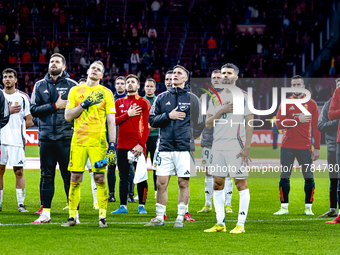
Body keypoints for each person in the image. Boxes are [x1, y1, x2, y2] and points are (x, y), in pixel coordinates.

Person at [145, 65, 202, 227]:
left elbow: (199, 124)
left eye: (179, 73)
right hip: (164, 147)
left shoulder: (193, 99)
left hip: (184, 149)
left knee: (183, 183)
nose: (175, 75)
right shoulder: (161, 98)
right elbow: (152, 121)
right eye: (174, 73)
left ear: (185, 78)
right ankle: (159, 217)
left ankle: (180, 217)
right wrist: (168, 116)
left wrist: (188, 136)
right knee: (160, 183)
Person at [61, 61, 116, 228]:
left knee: (100, 177)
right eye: (93, 68)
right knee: (75, 178)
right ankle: (72, 217)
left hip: (98, 143)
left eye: (99, 69)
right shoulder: (75, 91)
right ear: (88, 71)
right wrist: (84, 104)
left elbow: (111, 121)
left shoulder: (106, 93)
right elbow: (68, 116)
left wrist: (112, 145)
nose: (95, 70)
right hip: (78, 142)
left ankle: (102, 217)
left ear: (102, 75)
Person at [204, 63, 252, 234]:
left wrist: (246, 148)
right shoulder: (214, 97)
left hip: (236, 147)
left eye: (229, 73)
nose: (225, 75)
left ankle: (241, 224)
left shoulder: (244, 96)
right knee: (218, 184)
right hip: (218, 147)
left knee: (240, 184)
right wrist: (220, 111)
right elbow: (208, 124)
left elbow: (250, 123)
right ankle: (220, 223)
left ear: (236, 76)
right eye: (223, 73)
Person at [31, 53, 78, 224]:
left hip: (66, 138)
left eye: (57, 61)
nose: (53, 63)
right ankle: (46, 214)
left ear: (64, 67)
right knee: (46, 176)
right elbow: (34, 110)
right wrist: (54, 106)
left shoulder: (73, 86)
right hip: (46, 138)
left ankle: (74, 214)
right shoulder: (39, 85)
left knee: (69, 176)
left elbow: (79, 111)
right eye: (51, 61)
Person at [274, 75, 320, 216]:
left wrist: (317, 147)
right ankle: (284, 207)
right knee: (284, 177)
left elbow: (316, 127)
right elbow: (278, 124)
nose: (296, 87)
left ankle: (308, 208)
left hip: (305, 146)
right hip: (287, 146)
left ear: (304, 87)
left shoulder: (312, 104)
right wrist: (296, 119)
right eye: (293, 85)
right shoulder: (286, 103)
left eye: (298, 84)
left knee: (308, 177)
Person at [112, 74, 150, 214]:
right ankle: (122, 206)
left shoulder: (144, 103)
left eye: (133, 82)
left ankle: (141, 206)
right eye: (128, 82)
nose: (129, 84)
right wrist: (128, 114)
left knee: (140, 176)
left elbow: (146, 126)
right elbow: (114, 122)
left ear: (138, 86)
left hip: (137, 145)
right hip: (121, 145)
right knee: (123, 176)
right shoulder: (118, 102)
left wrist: (141, 144)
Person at [197, 69, 234, 214]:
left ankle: (228, 204)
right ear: (211, 81)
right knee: (208, 172)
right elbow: (200, 120)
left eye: (219, 77)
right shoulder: (204, 98)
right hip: (209, 140)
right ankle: (207, 204)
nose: (217, 80)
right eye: (214, 78)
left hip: (228, 140)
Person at [0, 68, 33, 213]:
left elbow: (30, 121)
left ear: (15, 80)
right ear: (2, 80)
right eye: (5, 77)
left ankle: (21, 204)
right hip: (0, 140)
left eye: (10, 76)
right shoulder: (0, 96)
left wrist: (18, 130)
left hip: (17, 141)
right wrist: (7, 113)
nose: (7, 79)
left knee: (18, 171)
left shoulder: (23, 97)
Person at [318, 79, 340, 218]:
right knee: (334, 179)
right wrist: (337, 122)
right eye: (338, 85)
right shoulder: (327, 106)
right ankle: (333, 209)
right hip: (332, 146)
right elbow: (321, 126)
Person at [107, 76, 128, 203]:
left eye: (122, 83)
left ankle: (130, 194)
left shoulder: (130, 100)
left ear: (125, 86)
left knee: (127, 168)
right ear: (115, 86)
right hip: (111, 141)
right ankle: (111, 194)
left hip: (126, 140)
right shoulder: (109, 100)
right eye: (118, 83)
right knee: (111, 166)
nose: (120, 85)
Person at [326, 78, 340, 223]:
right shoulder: (337, 94)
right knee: (336, 179)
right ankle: (335, 210)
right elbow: (327, 119)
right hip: (334, 144)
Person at [144, 78, 158, 199]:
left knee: (156, 165)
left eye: (151, 86)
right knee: (140, 166)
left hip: (155, 136)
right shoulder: (141, 101)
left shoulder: (158, 101)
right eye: (147, 86)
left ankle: (157, 190)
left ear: (155, 88)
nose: (149, 88)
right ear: (144, 88)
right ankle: (141, 191)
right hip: (142, 137)